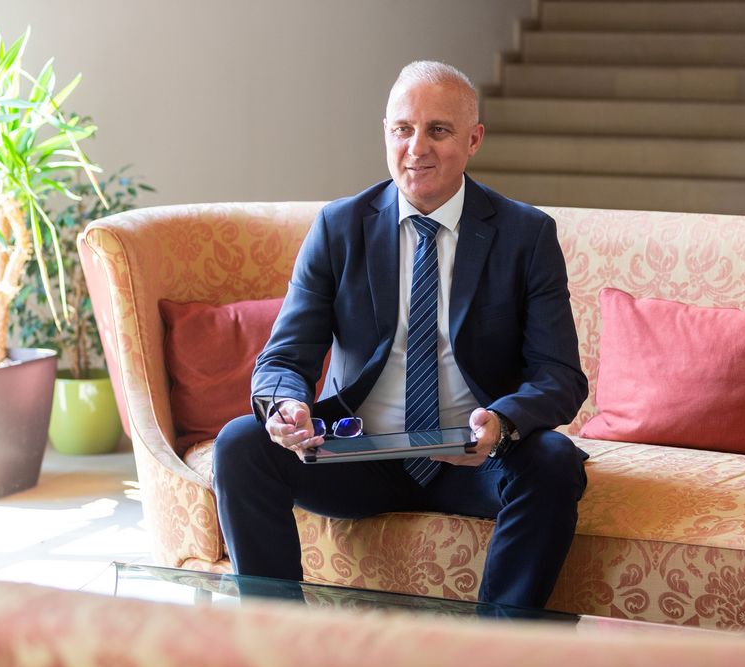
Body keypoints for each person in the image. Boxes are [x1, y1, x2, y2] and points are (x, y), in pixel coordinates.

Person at [213, 60, 588, 609]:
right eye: (403, 129)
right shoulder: (339, 228)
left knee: (553, 461)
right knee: (240, 445)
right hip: (356, 452)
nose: (417, 148)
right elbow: (284, 357)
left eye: (439, 130)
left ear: (474, 139)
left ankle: (500, 650)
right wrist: (286, 405)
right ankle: (279, 639)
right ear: (385, 133)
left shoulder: (525, 235)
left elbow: (559, 375)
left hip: (471, 457)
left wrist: (503, 423)